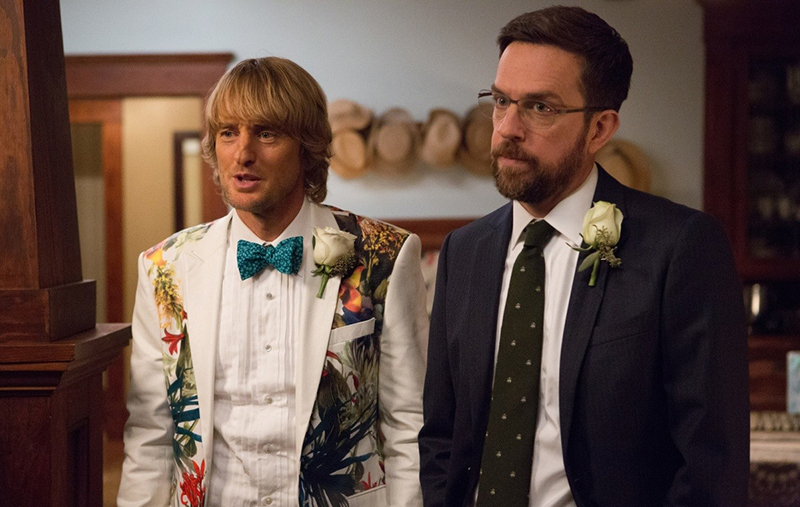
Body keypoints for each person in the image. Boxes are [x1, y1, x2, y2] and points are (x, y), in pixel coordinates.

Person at [419, 6, 749, 507]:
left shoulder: (681, 247)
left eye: (540, 107)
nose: (507, 127)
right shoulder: (464, 252)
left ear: (599, 128)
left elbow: (711, 463)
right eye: (501, 101)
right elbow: (442, 434)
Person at [117, 57, 429, 507]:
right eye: (228, 133)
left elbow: (409, 426)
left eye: (266, 134)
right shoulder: (165, 268)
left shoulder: (384, 255)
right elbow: (150, 435)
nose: (243, 154)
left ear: (307, 148)